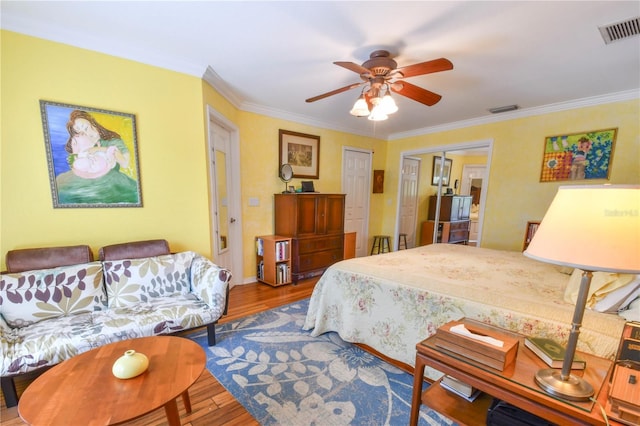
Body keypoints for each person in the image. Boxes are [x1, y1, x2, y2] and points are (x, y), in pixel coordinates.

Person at [55, 110, 140, 204]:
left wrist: (100, 149)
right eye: (79, 130)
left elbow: (125, 163)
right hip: (85, 178)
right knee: (61, 186)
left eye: (84, 126)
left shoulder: (111, 140)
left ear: (91, 121)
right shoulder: (83, 142)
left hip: (109, 178)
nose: (83, 131)